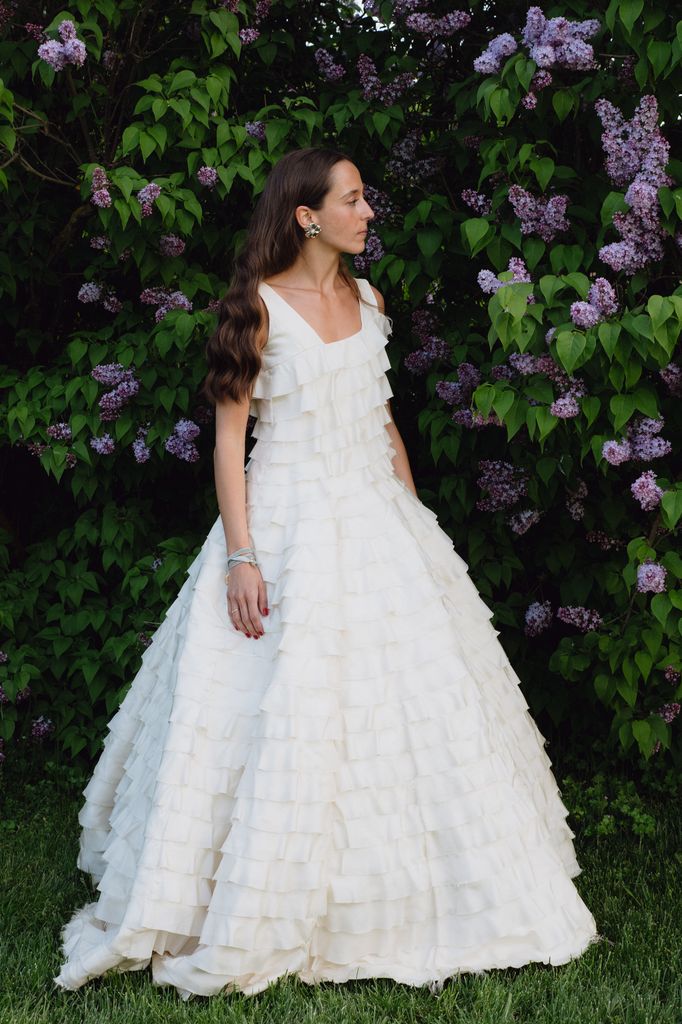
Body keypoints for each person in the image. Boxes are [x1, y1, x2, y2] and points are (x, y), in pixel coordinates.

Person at [54, 146, 601, 1001]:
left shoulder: (371, 300)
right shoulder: (261, 310)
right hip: (283, 521)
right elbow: (231, 441)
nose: (368, 212)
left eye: (365, 199)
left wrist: (418, 528)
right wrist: (243, 555)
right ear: (308, 215)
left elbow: (383, 425)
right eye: (353, 199)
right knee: (274, 707)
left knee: (415, 709)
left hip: (375, 518)